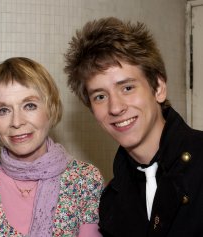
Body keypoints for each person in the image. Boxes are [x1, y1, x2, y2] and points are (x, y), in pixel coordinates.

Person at [64, 17, 203, 236]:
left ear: (158, 88)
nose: (115, 107)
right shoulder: (110, 203)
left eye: (127, 88)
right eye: (100, 96)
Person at [0, 57, 104, 237]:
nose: (17, 122)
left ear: (51, 109)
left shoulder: (86, 181)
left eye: (29, 105)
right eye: (3, 110)